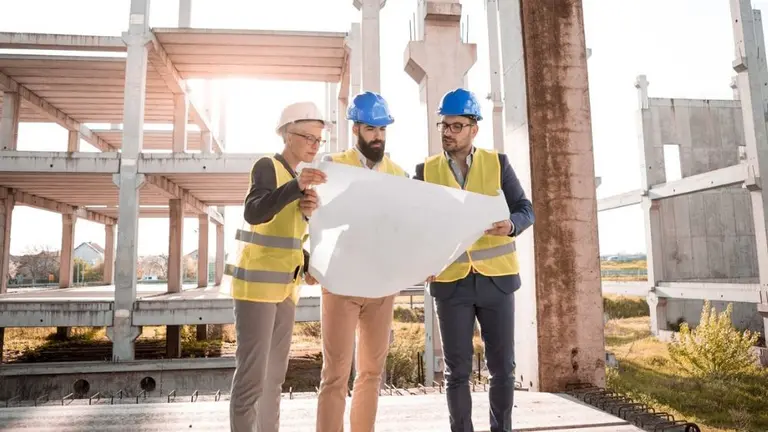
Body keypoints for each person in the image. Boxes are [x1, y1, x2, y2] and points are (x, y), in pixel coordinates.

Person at [413, 88, 535, 432]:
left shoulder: (498, 164)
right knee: (457, 372)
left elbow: (526, 210)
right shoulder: (426, 170)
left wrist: (511, 225)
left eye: (456, 126)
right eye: (444, 126)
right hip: (451, 284)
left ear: (473, 129)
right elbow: (412, 223)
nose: (448, 133)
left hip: (497, 280)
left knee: (502, 368)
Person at [226, 101, 328, 432]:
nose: (315, 144)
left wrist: (310, 261)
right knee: (252, 377)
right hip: (256, 289)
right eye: (309, 137)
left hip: (286, 289)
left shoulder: (300, 180)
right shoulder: (268, 166)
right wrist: (294, 189)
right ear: (286, 134)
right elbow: (255, 213)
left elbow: (289, 238)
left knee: (274, 379)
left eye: (319, 139)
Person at [315, 91, 408, 432]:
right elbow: (317, 217)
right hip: (341, 282)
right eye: (371, 128)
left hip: (381, 286)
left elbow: (405, 226)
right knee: (335, 373)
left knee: (370, 373)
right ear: (356, 129)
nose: (378, 136)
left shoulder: (398, 173)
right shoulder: (334, 166)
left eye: (382, 129)